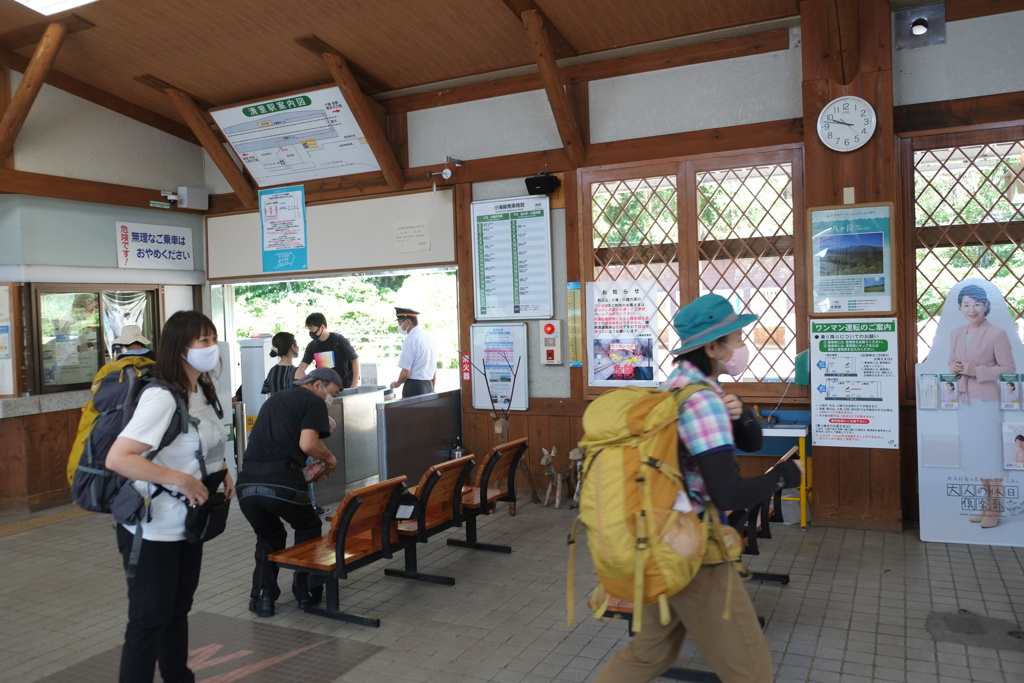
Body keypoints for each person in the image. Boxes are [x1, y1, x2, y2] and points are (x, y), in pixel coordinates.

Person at [595, 293, 802, 683]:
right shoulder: (703, 403)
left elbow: (750, 442)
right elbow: (727, 493)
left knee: (648, 653)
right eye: (736, 338)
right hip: (694, 550)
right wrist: (783, 477)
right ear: (712, 346)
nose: (742, 346)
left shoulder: (677, 387)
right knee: (750, 671)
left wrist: (739, 414)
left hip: (657, 537)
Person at [105, 310, 232, 683]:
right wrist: (180, 480)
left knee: (177, 609)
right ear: (180, 349)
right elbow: (119, 458)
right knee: (148, 619)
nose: (212, 347)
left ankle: (179, 677)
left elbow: (201, 439)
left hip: (187, 524)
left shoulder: (202, 390)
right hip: (152, 528)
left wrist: (220, 472)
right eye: (203, 341)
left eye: (213, 339)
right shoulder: (161, 397)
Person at [235, 367, 342, 618]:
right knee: (307, 526)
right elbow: (308, 444)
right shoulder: (313, 401)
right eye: (332, 393)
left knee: (269, 535)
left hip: (247, 484)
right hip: (283, 483)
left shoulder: (277, 398)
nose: (331, 399)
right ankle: (306, 591)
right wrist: (330, 458)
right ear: (318, 385)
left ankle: (263, 597)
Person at [948, 283, 1015, 529]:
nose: (971, 309)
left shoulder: (997, 334)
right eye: (966, 304)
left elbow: (1009, 370)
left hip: (987, 402)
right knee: (977, 454)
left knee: (991, 455)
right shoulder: (956, 333)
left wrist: (976, 371)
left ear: (986, 306)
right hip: (965, 402)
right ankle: (987, 505)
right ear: (960, 307)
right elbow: (952, 363)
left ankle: (995, 507)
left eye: (976, 304)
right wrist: (954, 368)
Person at [262, 332, 329, 516]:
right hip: (297, 427)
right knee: (305, 467)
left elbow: (269, 399)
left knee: (284, 468)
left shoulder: (272, 371)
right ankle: (310, 505)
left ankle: (286, 504)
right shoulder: (297, 372)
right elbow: (308, 399)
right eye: (296, 344)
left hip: (277, 429)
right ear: (292, 347)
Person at [296, 312, 360, 389]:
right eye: (309, 329)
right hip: (324, 389)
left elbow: (355, 360)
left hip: (344, 386)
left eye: (311, 329)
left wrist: (354, 383)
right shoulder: (312, 346)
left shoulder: (338, 341)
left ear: (322, 327)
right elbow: (302, 366)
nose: (310, 332)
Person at [389, 307, 438, 398]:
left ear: (408, 322)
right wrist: (433, 388)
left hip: (414, 387)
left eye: (400, 323)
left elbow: (405, 374)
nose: (399, 326)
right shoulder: (429, 337)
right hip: (429, 385)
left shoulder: (411, 339)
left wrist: (396, 384)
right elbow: (433, 367)